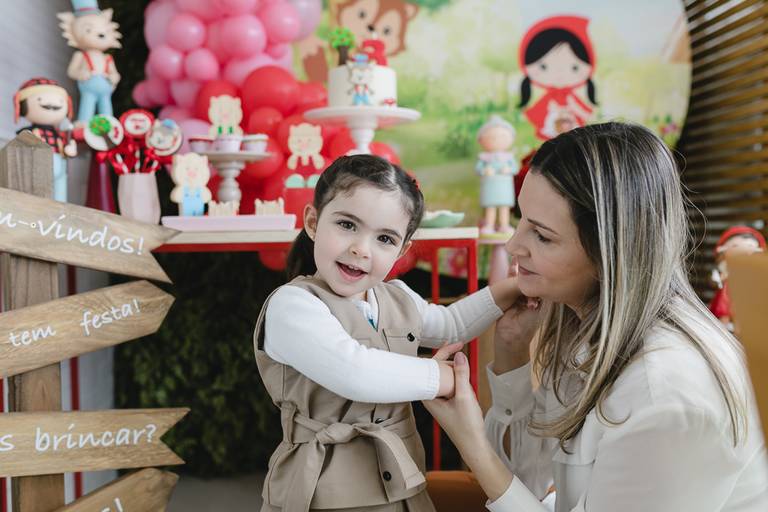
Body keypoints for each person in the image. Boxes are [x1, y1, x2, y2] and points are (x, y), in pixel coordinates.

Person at [424, 122, 768, 511]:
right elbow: (530, 482)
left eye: (542, 235)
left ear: (609, 256)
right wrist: (512, 353)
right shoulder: (586, 329)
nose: (513, 245)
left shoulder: (666, 396)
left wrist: (471, 441)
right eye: (522, 219)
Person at [253, 154, 519, 512]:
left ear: (402, 250)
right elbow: (355, 372)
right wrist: (440, 377)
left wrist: (514, 289)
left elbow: (451, 325)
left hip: (402, 480)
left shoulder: (396, 296)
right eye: (347, 225)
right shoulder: (293, 305)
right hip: (324, 488)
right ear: (313, 222)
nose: (361, 248)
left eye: (385, 238)